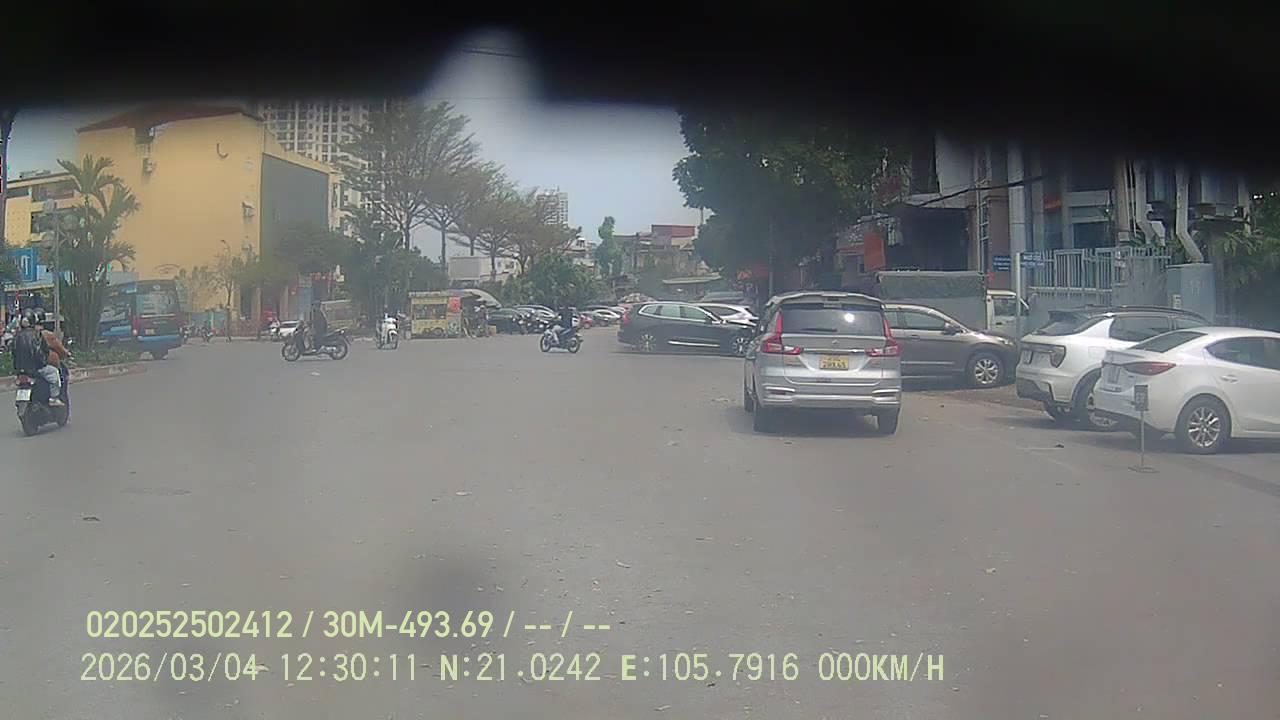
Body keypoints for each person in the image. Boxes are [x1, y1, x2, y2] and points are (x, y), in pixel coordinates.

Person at [10, 309, 65, 406]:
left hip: (20, 371)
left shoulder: (16, 336)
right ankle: (53, 398)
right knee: (54, 373)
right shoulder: (37, 335)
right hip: (36, 369)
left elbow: (13, 353)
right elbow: (44, 351)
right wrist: (43, 361)